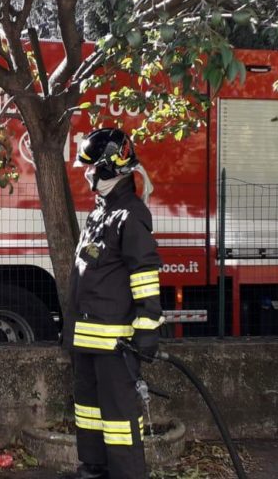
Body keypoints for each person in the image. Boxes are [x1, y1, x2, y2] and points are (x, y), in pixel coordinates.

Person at [64, 127, 164, 479]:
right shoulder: (99, 212)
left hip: (114, 344)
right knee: (89, 413)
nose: (88, 174)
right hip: (87, 342)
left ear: (109, 168)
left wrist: (147, 330)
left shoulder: (130, 214)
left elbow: (145, 274)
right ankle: (94, 468)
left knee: (120, 420)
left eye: (92, 168)